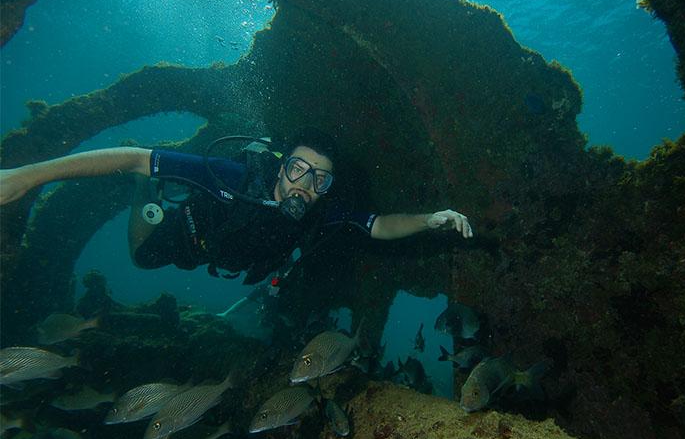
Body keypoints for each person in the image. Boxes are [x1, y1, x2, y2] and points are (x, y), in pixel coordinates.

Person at [0, 127, 473, 286]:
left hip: (224, 259)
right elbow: (135, 157)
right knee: (142, 259)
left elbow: (379, 226)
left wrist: (430, 219)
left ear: (327, 187)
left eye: (319, 179)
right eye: (296, 170)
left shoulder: (319, 209)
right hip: (191, 234)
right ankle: (142, 201)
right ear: (280, 166)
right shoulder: (234, 177)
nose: (302, 187)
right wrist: (28, 176)